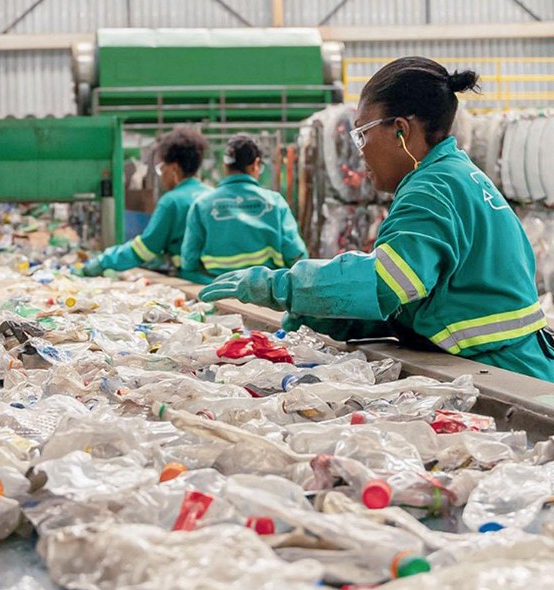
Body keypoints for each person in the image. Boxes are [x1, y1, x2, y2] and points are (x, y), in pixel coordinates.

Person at [198, 56, 554, 381]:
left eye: (361, 133)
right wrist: (344, 318)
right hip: (519, 362)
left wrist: (282, 287)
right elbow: (434, 295)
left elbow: (388, 281)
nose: (359, 151)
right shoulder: (458, 176)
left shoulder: (430, 190)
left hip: (505, 374)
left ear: (400, 130)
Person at [80, 127, 211, 277]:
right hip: (217, 280)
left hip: (191, 279)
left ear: (174, 169)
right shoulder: (212, 195)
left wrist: (104, 260)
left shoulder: (172, 201)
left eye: (162, 168)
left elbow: (146, 248)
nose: (162, 175)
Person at [182, 134, 307, 285]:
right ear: (256, 164)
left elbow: (189, 261)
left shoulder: (202, 205)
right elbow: (295, 255)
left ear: (225, 165)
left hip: (218, 289)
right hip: (266, 291)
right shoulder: (275, 202)